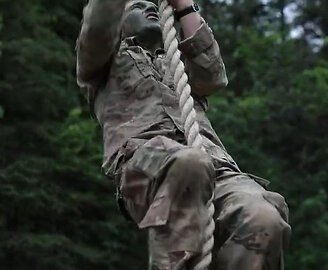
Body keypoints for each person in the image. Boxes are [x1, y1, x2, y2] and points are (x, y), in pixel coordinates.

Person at [76, 0, 291, 269]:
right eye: (138, 6)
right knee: (189, 162)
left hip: (217, 170)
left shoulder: (179, 67)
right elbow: (99, 24)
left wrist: (184, 6)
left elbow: (212, 77)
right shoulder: (105, 63)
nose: (149, 7)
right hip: (149, 165)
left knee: (263, 217)